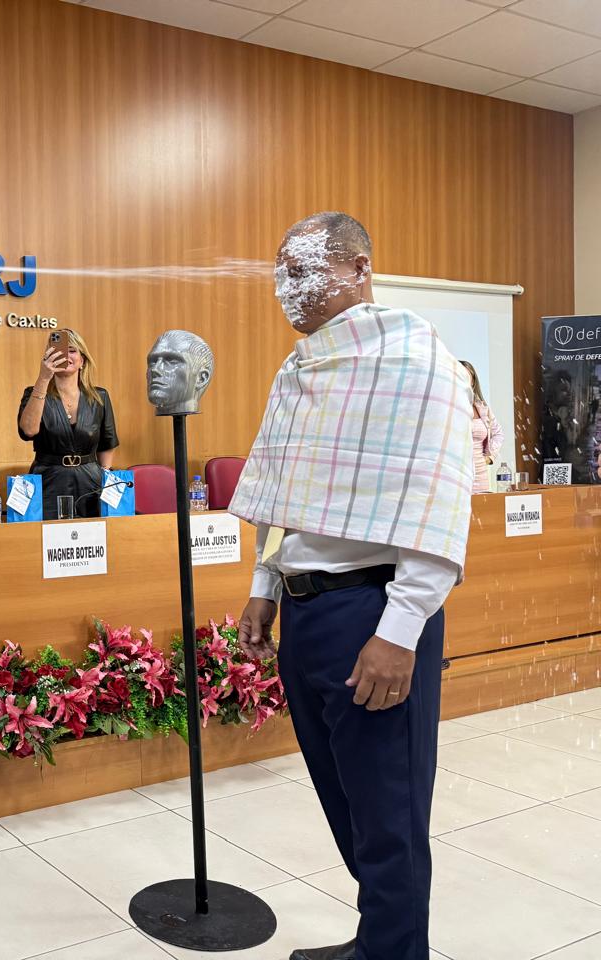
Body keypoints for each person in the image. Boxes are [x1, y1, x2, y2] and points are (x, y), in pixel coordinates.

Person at [231, 212, 473, 960]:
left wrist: (400, 632)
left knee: (389, 808)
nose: (288, 288)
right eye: (283, 272)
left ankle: (396, 952)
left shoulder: (414, 355)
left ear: (361, 268)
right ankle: (380, 939)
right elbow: (285, 488)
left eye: (306, 270)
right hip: (307, 613)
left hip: (373, 610)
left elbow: (439, 501)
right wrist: (265, 582)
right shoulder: (302, 367)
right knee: (346, 797)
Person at [17, 329, 118, 518]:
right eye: (58, 351)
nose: (65, 355)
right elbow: (28, 430)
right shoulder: (34, 392)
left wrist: (105, 479)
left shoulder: (99, 396)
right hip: (48, 480)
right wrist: (44, 378)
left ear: (82, 361)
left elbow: (107, 442)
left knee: (93, 538)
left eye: (72, 350)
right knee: (48, 540)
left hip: (91, 482)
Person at [460, 360, 504, 493]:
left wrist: (489, 457)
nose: (466, 380)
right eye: (462, 376)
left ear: (473, 381)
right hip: (460, 474)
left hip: (481, 474)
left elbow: (498, 434)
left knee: (484, 510)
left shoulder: (482, 408)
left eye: (469, 377)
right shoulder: (451, 408)